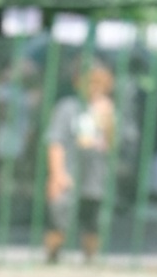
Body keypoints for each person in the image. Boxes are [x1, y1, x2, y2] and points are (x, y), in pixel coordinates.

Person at [45, 62, 117, 263]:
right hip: (70, 171)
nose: (95, 86)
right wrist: (57, 172)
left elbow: (113, 145)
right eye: (90, 81)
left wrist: (108, 119)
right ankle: (53, 255)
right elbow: (55, 141)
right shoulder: (68, 107)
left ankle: (91, 258)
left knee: (94, 221)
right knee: (59, 216)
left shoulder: (109, 109)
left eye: (100, 82)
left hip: (96, 175)